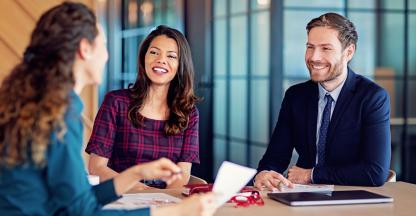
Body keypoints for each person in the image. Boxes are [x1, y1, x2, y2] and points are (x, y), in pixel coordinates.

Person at [0, 2, 217, 215]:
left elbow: (76, 199)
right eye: (103, 45)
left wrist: (137, 173)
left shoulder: (50, 103)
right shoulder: (61, 113)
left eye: (171, 56)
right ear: (85, 49)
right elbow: (81, 210)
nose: (107, 55)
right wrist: (173, 212)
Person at [254, 12, 391, 189]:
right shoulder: (295, 96)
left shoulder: (372, 97)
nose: (314, 57)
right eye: (310, 47)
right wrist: (264, 174)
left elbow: (375, 172)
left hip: (354, 199)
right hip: (303, 197)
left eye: (326, 48)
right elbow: (275, 158)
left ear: (349, 52)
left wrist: (311, 175)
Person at [86, 25, 200, 190]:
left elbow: (182, 173)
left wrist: (162, 201)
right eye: (154, 52)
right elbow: (97, 168)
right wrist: (146, 192)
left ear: (180, 65)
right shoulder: (116, 102)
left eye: (171, 56)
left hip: (167, 200)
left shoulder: (188, 113)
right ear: (143, 57)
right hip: (121, 196)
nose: (161, 60)